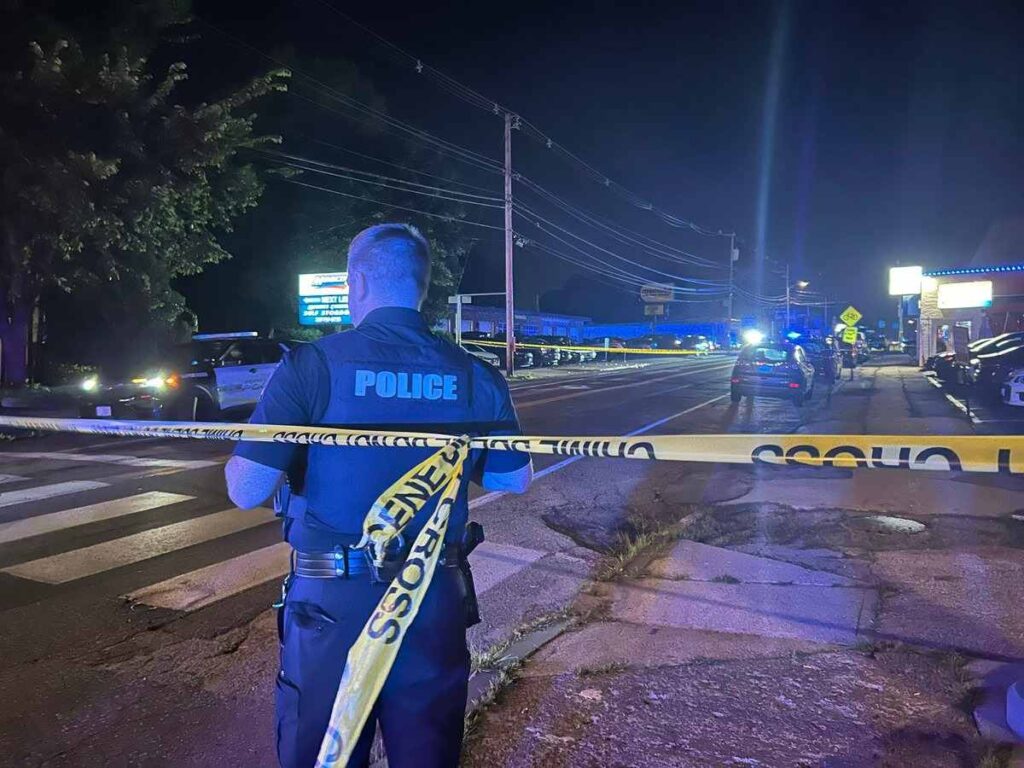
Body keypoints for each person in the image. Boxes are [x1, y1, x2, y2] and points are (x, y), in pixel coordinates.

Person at [224, 223, 533, 768]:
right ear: (421, 285)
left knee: (323, 753)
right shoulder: (475, 375)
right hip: (431, 598)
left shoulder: (311, 367)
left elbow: (246, 490)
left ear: (357, 281)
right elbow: (514, 478)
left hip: (332, 604)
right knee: (427, 754)